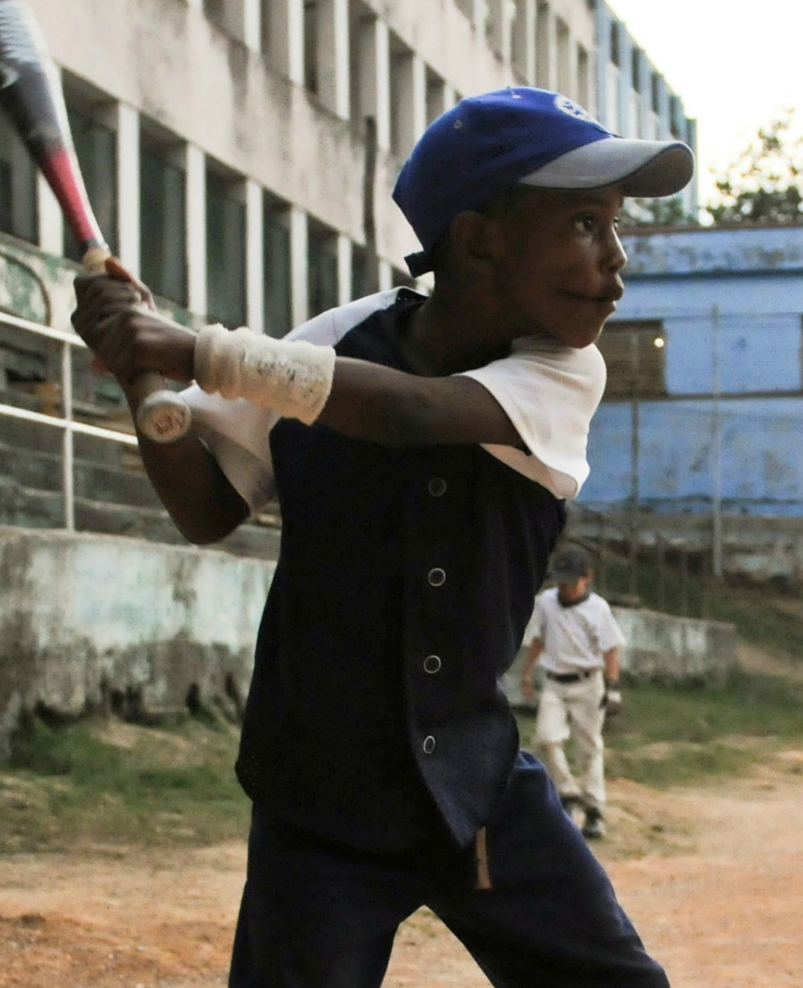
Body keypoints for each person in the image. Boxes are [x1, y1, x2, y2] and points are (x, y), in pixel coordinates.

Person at [72, 86, 691, 988]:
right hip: (318, 800)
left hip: (475, 788)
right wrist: (139, 376)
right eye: (587, 225)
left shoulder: (564, 370)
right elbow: (207, 508)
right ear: (480, 239)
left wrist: (190, 349)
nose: (617, 263)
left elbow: (409, 412)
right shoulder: (337, 341)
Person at [517, 544, 628, 841]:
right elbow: (540, 639)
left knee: (589, 747)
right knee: (546, 738)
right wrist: (527, 672)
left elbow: (610, 650)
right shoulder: (547, 603)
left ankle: (594, 810)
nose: (565, 588)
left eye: (571, 582)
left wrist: (613, 688)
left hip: (589, 683)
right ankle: (567, 792)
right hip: (555, 682)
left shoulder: (598, 609)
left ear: (587, 578)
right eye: (560, 582)